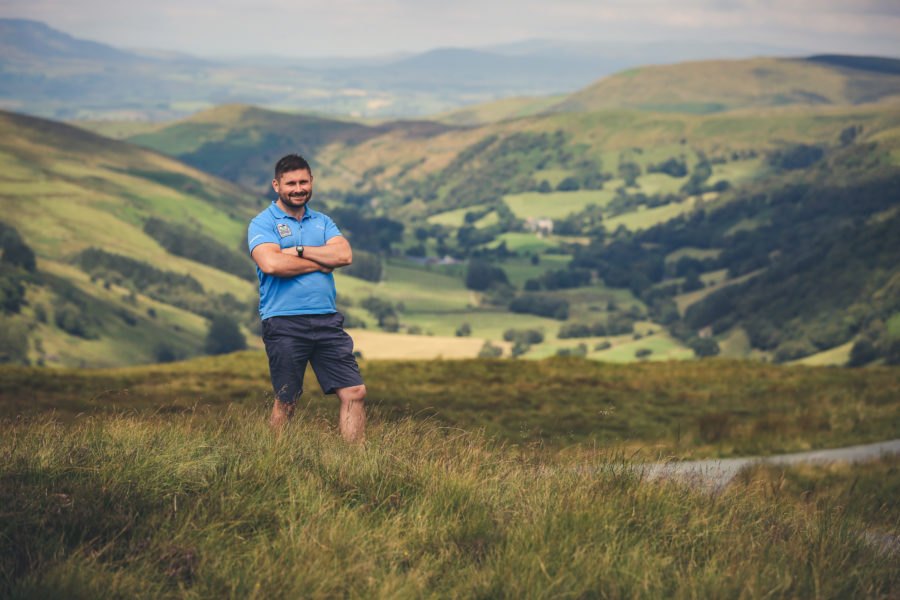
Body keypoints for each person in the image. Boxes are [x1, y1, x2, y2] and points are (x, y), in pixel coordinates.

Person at [248, 154, 366, 441]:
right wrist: (321, 261)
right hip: (284, 322)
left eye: (303, 181)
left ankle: (357, 462)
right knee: (287, 399)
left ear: (311, 181)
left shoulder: (323, 221)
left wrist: (298, 251)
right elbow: (272, 264)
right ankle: (275, 460)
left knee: (354, 391)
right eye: (290, 183)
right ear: (276, 185)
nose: (298, 188)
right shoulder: (262, 223)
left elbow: (344, 255)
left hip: (327, 320)